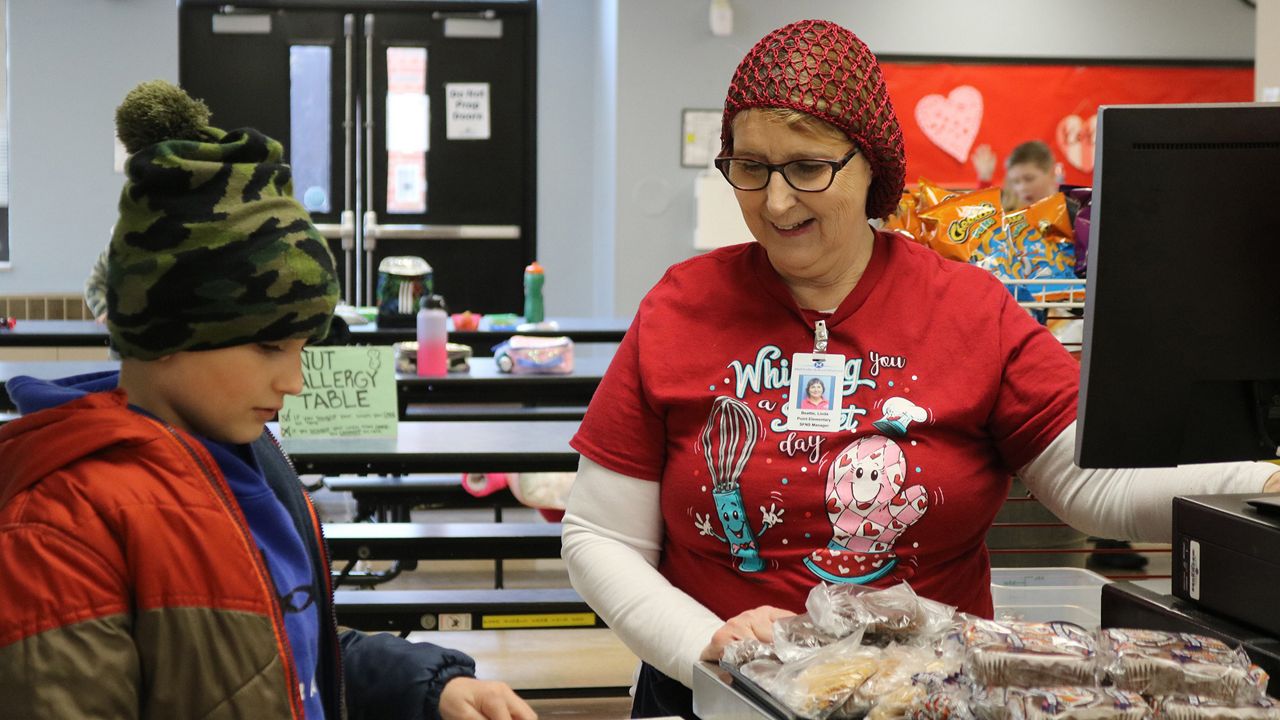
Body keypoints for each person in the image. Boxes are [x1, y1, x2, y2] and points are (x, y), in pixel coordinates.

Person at [559, 20, 1280, 719]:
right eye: (750, 168)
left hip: (922, 701)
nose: (775, 202)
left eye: (808, 167)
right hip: (714, 698)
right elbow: (601, 536)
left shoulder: (969, 309)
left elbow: (1094, 484)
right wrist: (701, 643)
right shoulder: (681, 307)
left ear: (871, 163)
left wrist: (1263, 482)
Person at [0, 80, 536, 720]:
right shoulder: (61, 526)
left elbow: (273, 654)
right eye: (269, 348)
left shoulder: (251, 464)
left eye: (303, 349)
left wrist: (428, 687)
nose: (296, 381)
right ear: (172, 330)